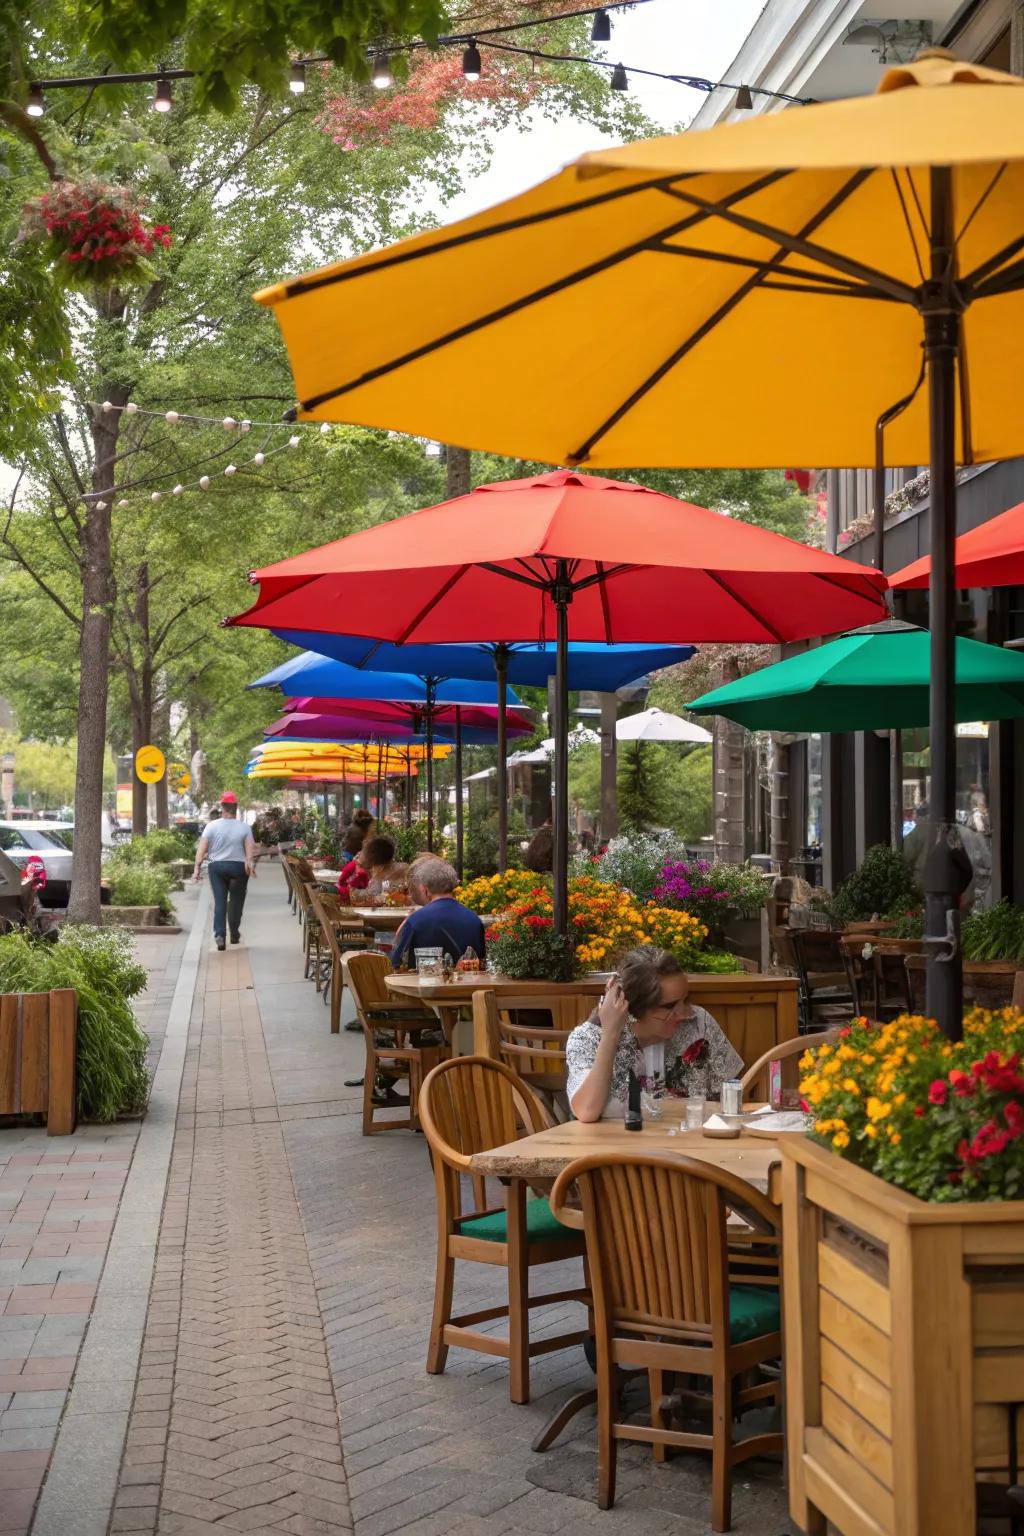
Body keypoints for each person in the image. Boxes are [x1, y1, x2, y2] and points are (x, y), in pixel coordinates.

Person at [566, 947, 742, 1122]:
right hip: (619, 1147)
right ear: (634, 1008)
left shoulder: (699, 1023)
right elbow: (587, 1111)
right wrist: (611, 1035)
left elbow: (734, 1095)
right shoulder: (588, 1039)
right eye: (669, 1007)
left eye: (685, 1000)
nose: (684, 1013)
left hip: (693, 1143)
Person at [390, 857, 485, 970]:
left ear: (425, 889)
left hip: (424, 985)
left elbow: (396, 962)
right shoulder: (473, 919)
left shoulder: (415, 920)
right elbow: (482, 960)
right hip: (466, 986)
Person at [193, 792, 257, 951]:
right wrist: (250, 865)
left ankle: (220, 935)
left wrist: (197, 869)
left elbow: (202, 850)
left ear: (222, 807)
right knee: (236, 901)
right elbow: (250, 853)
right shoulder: (244, 827)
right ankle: (234, 933)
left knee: (220, 901)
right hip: (238, 868)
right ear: (236, 808)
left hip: (217, 867)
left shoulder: (211, 826)